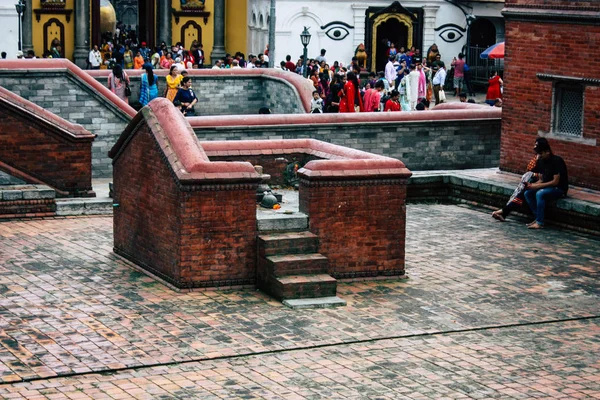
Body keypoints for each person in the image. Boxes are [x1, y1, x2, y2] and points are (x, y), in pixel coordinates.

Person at [523, 138, 569, 229]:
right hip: (547, 186)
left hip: (559, 188)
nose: (539, 156)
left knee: (540, 193)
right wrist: (532, 186)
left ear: (547, 152)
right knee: (527, 193)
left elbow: (555, 182)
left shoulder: (557, 161)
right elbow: (541, 179)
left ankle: (540, 222)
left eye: (541, 154)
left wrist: (537, 186)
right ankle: (538, 218)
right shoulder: (541, 161)